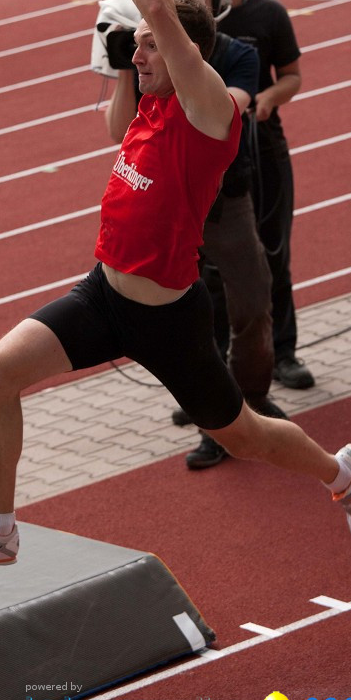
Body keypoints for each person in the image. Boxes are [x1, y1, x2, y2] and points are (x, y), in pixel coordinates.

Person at [0, 0, 351, 580]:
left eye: (143, 45)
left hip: (168, 317)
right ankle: (0, 529)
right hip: (104, 292)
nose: (132, 54)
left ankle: (341, 474)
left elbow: (169, 13)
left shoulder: (204, 112)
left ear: (182, 54)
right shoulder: (164, 89)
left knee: (245, 438)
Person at [104, 24, 287, 471]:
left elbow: (233, 106)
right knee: (194, 312)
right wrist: (124, 71)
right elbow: (119, 130)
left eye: (155, 42)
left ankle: (253, 397)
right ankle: (212, 415)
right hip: (176, 209)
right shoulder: (155, 68)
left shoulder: (238, 53)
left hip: (229, 201)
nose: (144, 51)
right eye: (141, 43)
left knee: (251, 299)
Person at [181, 0, 315, 389]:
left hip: (263, 148)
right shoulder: (192, 27)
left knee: (272, 255)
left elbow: (293, 76)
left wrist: (269, 98)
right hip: (211, 166)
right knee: (209, 277)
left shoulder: (268, 14)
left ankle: (283, 355)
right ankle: (217, 375)